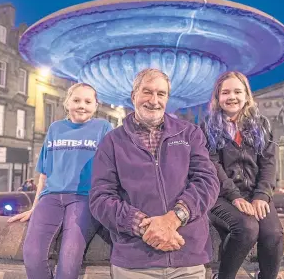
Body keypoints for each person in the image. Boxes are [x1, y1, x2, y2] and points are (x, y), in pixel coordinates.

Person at [90, 68, 220, 279]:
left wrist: (172, 220)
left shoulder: (189, 133)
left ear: (167, 98)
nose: (154, 100)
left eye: (161, 94)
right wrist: (145, 227)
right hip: (134, 261)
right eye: (147, 92)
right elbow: (100, 198)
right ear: (134, 96)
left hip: (186, 256)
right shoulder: (112, 142)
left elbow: (207, 181)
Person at [7, 83, 113, 279]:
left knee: (70, 256)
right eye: (77, 100)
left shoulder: (104, 128)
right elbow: (44, 174)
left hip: (84, 198)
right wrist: (35, 206)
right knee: (32, 253)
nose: (82, 105)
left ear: (96, 105)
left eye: (88, 101)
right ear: (67, 103)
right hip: (51, 198)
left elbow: (114, 166)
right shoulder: (56, 128)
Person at [201, 71, 284, 279]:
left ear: (247, 95)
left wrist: (262, 195)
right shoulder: (206, 127)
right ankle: (223, 276)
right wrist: (235, 196)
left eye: (238, 91)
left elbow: (269, 163)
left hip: (254, 194)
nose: (232, 97)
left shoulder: (262, 125)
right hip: (220, 196)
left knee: (273, 235)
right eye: (225, 92)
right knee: (247, 229)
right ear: (217, 97)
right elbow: (212, 166)